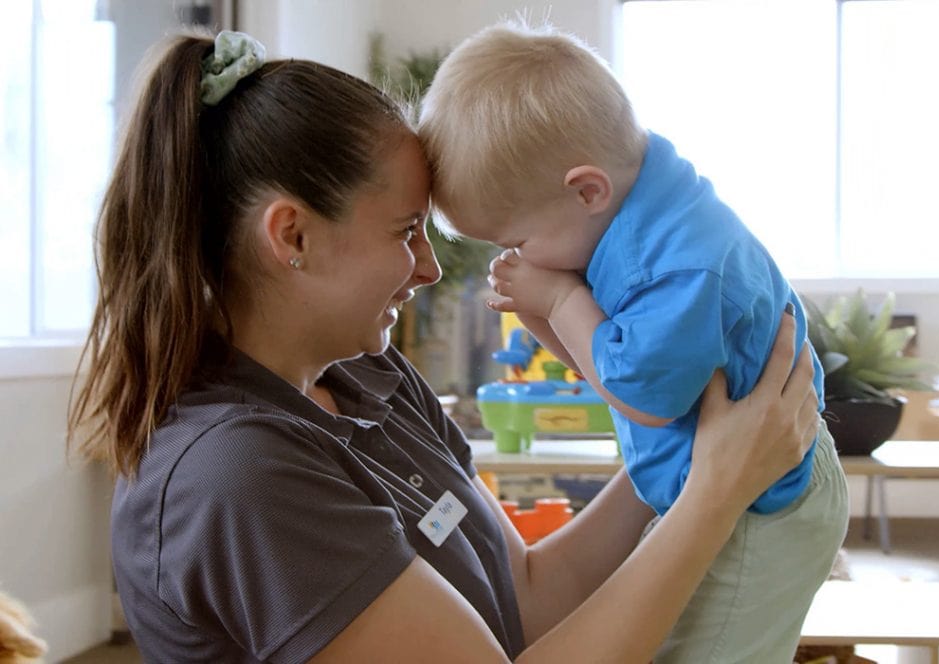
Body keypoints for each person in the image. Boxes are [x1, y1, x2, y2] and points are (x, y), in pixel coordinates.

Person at [68, 30, 822, 663]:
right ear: (291, 236)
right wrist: (716, 493)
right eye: (405, 232)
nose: (429, 269)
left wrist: (698, 446)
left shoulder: (372, 376)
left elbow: (522, 596)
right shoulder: (237, 475)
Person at [418, 21, 850, 663]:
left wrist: (561, 302)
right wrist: (542, 313)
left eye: (516, 239)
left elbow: (642, 398)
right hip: (723, 477)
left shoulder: (678, 267)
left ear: (586, 189)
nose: (513, 257)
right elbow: (611, 370)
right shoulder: (629, 212)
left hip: (765, 504)